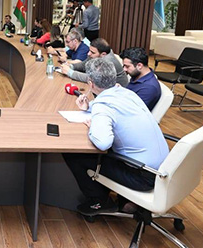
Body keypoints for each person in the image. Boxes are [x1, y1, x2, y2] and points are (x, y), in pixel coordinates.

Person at [62, 58, 169, 215]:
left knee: (75, 155)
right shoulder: (128, 93)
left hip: (142, 176)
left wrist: (93, 126)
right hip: (164, 169)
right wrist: (89, 107)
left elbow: (103, 143)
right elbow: (112, 105)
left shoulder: (103, 106)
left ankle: (99, 201)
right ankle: (124, 199)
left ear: (90, 83)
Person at [60, 38, 129, 87]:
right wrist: (71, 66)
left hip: (116, 92)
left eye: (92, 52)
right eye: (89, 50)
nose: (88, 54)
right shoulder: (96, 54)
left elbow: (93, 78)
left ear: (103, 54)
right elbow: (84, 64)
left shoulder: (108, 61)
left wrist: (70, 72)